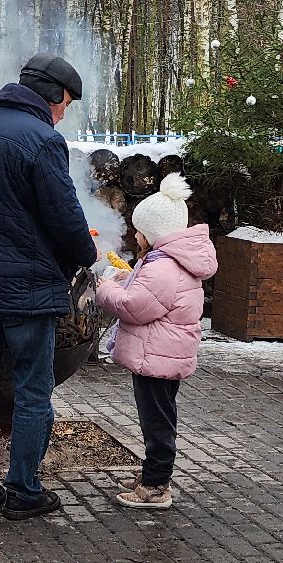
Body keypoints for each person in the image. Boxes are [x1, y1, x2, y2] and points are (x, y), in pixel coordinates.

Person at [0, 53, 98, 521]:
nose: (64, 113)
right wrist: (85, 255)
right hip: (27, 291)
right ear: (54, 95)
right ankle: (23, 490)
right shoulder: (43, 140)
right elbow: (65, 216)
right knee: (33, 391)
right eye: (67, 104)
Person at [93, 174, 216, 509]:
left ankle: (156, 487)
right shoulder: (169, 261)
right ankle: (152, 475)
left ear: (155, 232)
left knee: (157, 421)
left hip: (157, 356)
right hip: (163, 353)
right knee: (159, 416)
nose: (135, 235)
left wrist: (105, 287)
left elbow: (134, 306)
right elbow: (146, 291)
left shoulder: (163, 267)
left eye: (140, 230)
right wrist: (124, 277)